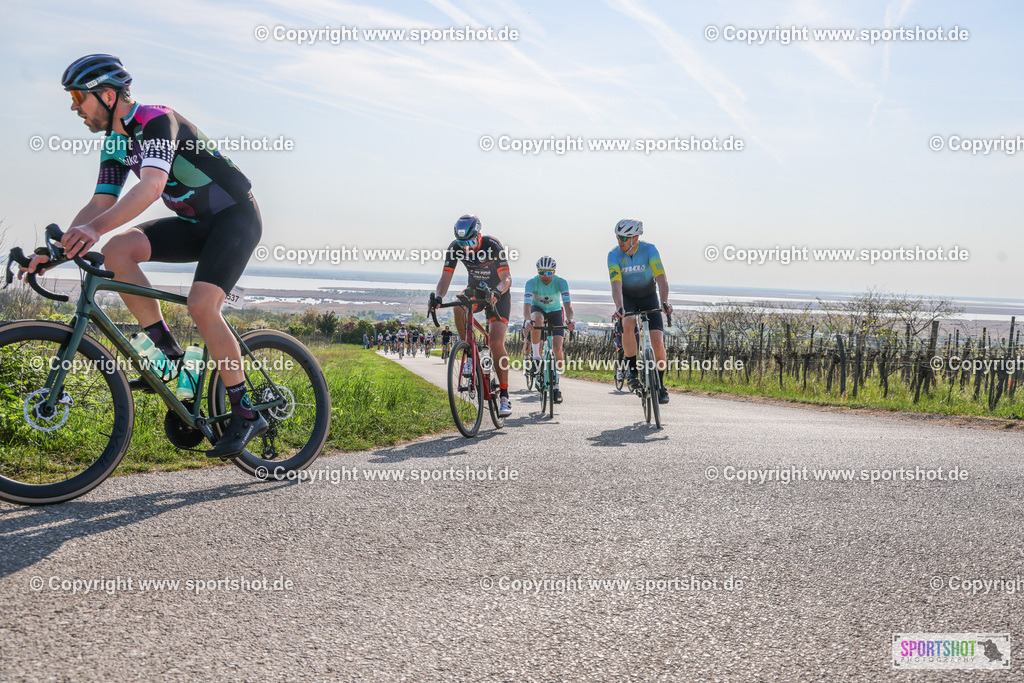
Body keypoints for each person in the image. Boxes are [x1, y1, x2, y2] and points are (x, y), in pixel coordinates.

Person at [21, 54, 265, 457]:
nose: (74, 107)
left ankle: (244, 410)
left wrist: (93, 230)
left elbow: (152, 187)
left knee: (202, 304)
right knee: (118, 250)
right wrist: (55, 252)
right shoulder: (116, 142)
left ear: (108, 94)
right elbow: (100, 202)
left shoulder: (156, 119)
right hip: (193, 223)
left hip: (235, 218)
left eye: (79, 97)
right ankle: (170, 357)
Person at [429, 215, 513, 416]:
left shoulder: (492, 244)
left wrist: (497, 292)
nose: (465, 247)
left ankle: (504, 396)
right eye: (462, 243)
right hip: (475, 290)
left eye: (470, 242)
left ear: (479, 234)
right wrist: (438, 297)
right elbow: (445, 277)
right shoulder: (454, 248)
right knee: (459, 304)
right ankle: (468, 351)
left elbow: (507, 278)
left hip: (497, 294)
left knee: (495, 343)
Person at [607, 219, 673, 404]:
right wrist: (619, 307)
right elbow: (616, 284)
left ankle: (660, 385)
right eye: (617, 237)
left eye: (623, 238)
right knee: (628, 323)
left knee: (657, 342)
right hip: (627, 298)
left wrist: (665, 301)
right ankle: (633, 373)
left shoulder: (650, 250)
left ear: (635, 238)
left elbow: (661, 278)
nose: (619, 241)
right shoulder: (613, 255)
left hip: (649, 296)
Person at [523, 256, 574, 403]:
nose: (545, 276)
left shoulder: (561, 282)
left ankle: (556, 386)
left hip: (555, 312)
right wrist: (527, 320)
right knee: (536, 320)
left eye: (549, 273)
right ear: (538, 272)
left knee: (558, 349)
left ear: (554, 271)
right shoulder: (531, 283)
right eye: (542, 272)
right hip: (537, 310)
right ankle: (536, 359)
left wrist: (570, 320)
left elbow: (568, 305)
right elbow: (527, 306)